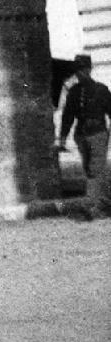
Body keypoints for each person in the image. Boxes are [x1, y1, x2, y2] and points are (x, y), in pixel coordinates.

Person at [57, 52, 111, 220]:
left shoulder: (101, 90)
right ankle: (104, 203)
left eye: (83, 70)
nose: (80, 74)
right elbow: (67, 117)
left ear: (90, 69)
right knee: (90, 170)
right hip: (81, 135)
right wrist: (63, 138)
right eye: (78, 71)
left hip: (98, 134)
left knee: (95, 169)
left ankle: (92, 206)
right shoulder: (73, 92)